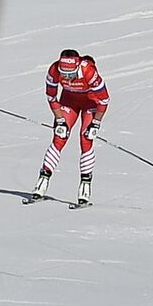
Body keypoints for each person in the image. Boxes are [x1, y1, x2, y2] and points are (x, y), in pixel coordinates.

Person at [30, 49, 110, 205]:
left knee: (86, 138)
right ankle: (42, 183)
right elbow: (51, 96)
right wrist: (59, 119)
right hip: (69, 101)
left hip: (89, 102)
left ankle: (85, 187)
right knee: (60, 137)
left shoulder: (88, 70)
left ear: (78, 67)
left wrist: (96, 123)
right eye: (63, 74)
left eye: (70, 74)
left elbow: (104, 100)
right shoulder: (54, 69)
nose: (66, 78)